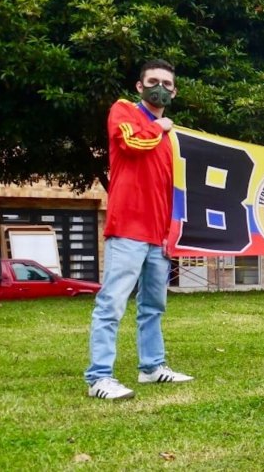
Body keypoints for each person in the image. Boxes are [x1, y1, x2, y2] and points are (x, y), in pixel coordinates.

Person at [85, 59, 193, 400]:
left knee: (153, 306)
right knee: (111, 304)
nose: (159, 86)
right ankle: (99, 377)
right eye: (153, 80)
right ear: (140, 86)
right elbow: (132, 143)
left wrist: (170, 231)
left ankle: (152, 367)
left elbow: (173, 186)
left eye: (166, 82)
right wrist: (161, 128)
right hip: (127, 228)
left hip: (158, 234)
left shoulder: (172, 139)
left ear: (174, 91)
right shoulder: (124, 112)